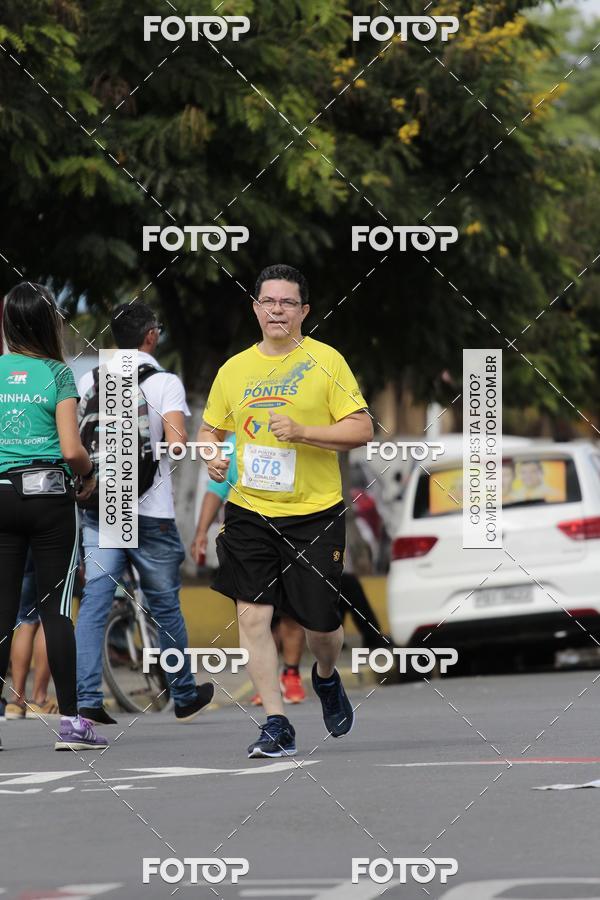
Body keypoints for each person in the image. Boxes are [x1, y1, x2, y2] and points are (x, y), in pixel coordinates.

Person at [197, 263, 373, 758]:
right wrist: (212, 455)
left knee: (321, 626)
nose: (277, 310)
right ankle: (275, 722)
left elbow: (362, 430)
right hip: (250, 509)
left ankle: (324, 677)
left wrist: (302, 431)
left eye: (287, 303)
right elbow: (211, 430)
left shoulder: (327, 361)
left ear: (304, 311)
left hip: (315, 511)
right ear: (255, 308)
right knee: (253, 617)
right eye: (268, 301)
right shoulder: (234, 370)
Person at [75, 303, 213, 725]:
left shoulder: (91, 378)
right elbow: (175, 443)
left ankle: (85, 700)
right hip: (151, 511)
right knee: (165, 604)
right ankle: (184, 694)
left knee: (95, 603)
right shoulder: (163, 382)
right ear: (151, 336)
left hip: (102, 508)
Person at [0, 282, 107, 751]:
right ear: (49, 323)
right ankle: (72, 725)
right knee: (55, 611)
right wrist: (89, 473)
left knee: (4, 613)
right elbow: (71, 450)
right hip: (49, 501)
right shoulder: (58, 374)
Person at [191, 434, 307, 705]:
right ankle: (267, 683)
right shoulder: (234, 441)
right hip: (249, 537)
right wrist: (200, 532)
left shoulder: (295, 431)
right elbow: (216, 490)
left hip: (292, 530)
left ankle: (290, 675)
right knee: (260, 614)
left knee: (291, 610)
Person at [4, 551, 59, 719]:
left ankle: (16, 700)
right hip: (51, 538)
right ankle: (39, 699)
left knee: (26, 620)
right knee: (50, 617)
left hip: (21, 542)